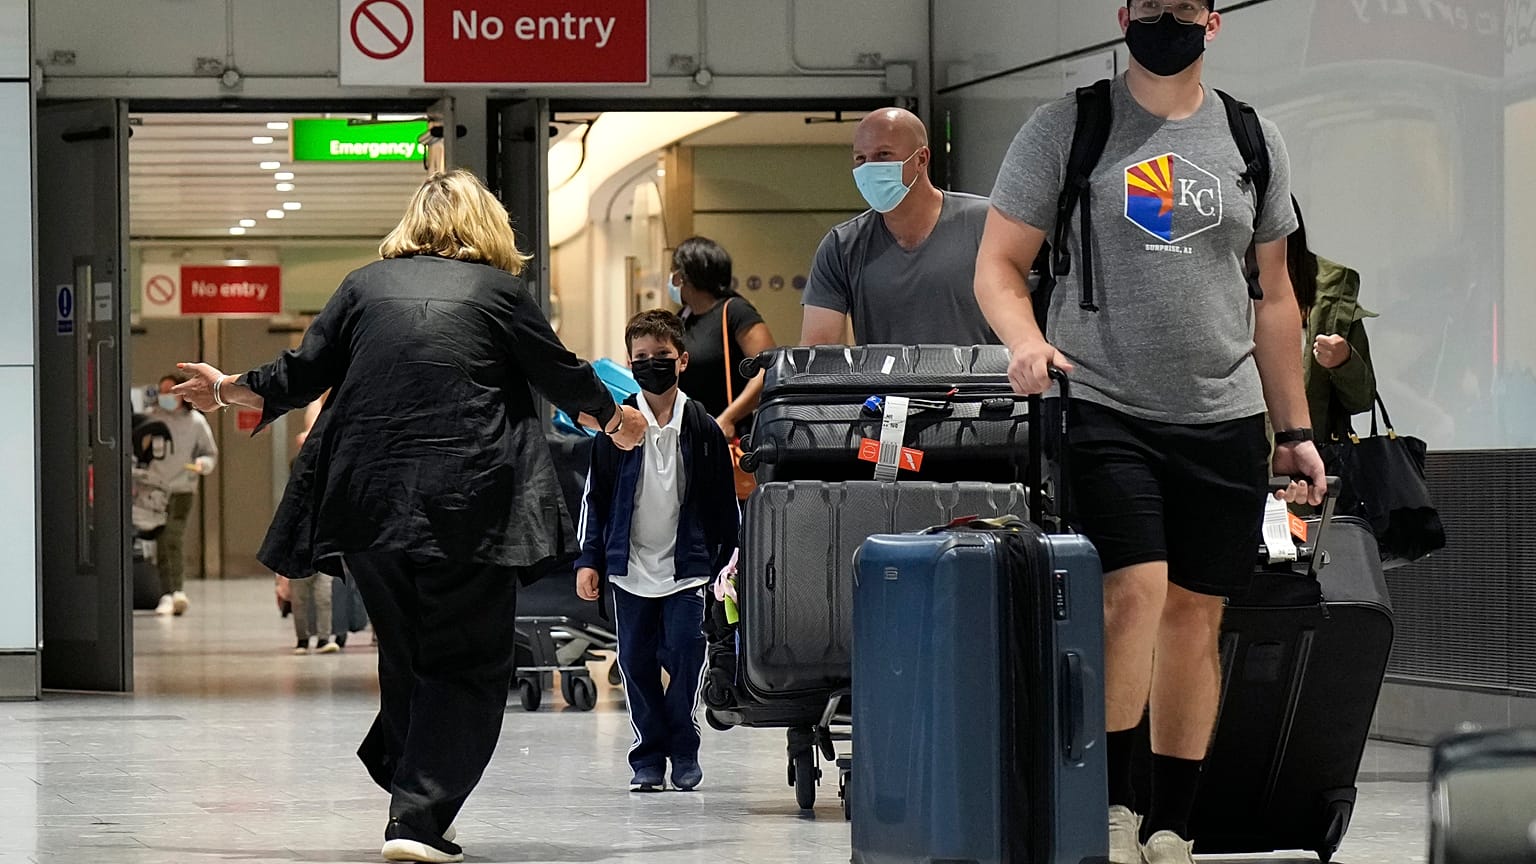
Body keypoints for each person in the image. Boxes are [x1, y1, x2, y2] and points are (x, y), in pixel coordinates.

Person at [174, 170, 646, 864]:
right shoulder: (500, 293)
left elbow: (302, 372)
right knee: (472, 660)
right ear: (487, 226)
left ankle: (411, 794)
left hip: (366, 502)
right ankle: (417, 819)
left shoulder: (364, 287)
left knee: (409, 657)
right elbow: (561, 373)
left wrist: (225, 389)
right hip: (469, 502)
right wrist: (616, 418)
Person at [972, 4, 1327, 864]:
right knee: (1132, 594)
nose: (1164, 20)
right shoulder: (1071, 125)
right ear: (1122, 17)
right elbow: (998, 263)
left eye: (1183, 6)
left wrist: (1296, 429)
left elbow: (1275, 296)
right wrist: (1025, 342)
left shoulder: (1251, 138)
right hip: (1105, 402)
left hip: (1224, 413)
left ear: (1213, 21)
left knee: (1196, 616)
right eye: (1149, 5)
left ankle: (1173, 819)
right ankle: (1111, 803)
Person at [575, 310, 739, 794]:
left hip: (687, 570)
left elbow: (722, 504)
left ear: (682, 360)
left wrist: (729, 563)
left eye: (662, 356)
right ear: (630, 363)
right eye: (641, 358)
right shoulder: (615, 427)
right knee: (635, 661)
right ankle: (648, 756)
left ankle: (683, 746)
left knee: (688, 655)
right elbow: (596, 497)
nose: (652, 364)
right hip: (630, 570)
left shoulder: (703, 427)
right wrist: (590, 560)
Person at [800, 107, 996, 346]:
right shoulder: (842, 246)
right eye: (860, 159)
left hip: (979, 383)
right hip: (886, 383)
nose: (869, 168)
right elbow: (818, 351)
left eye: (883, 155)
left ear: (921, 159)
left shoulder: (986, 224)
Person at [1287, 199, 1378, 441]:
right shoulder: (1226, 287)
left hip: (1314, 457)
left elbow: (1362, 399)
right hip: (1236, 459)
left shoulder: (1329, 292)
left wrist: (1344, 360)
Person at [671, 236, 778, 441]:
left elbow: (769, 369)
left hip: (730, 435)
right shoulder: (682, 318)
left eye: (674, 271)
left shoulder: (734, 311)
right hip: (691, 437)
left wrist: (728, 418)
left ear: (684, 276)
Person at [146, 373, 218, 617]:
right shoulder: (150, 418)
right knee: (160, 542)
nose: (166, 396)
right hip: (154, 490)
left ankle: (176, 590)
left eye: (171, 391)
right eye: (162, 391)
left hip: (182, 489)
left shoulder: (196, 422)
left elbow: (210, 453)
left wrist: (202, 465)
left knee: (172, 537)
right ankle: (167, 593)